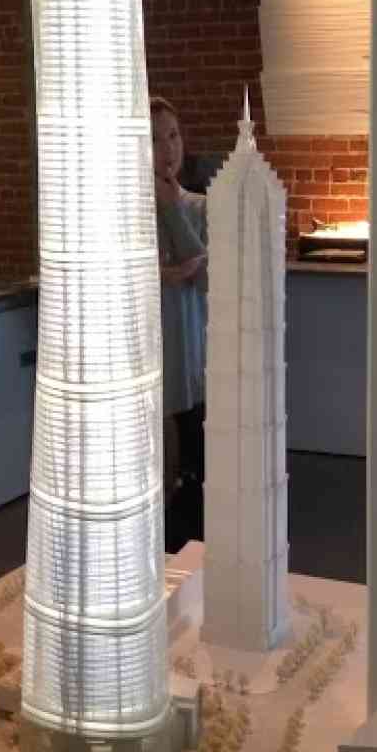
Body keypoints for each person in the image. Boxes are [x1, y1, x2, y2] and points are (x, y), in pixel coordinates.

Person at [150, 98, 208, 551]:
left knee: (194, 500)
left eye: (173, 135)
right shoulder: (124, 214)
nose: (167, 148)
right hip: (147, 374)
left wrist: (173, 210)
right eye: (154, 139)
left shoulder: (201, 207)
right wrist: (162, 275)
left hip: (191, 375)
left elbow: (205, 277)